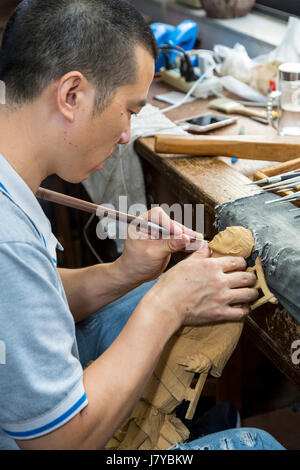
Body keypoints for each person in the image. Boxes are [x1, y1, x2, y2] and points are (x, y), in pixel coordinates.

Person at [0, 0, 284, 451]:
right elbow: (58, 443)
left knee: (138, 297)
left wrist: (123, 273)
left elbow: (30, 296)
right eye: (130, 109)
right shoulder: (7, 239)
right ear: (72, 95)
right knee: (257, 444)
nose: (126, 134)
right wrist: (168, 304)